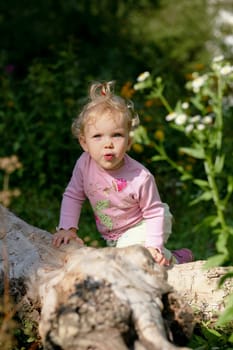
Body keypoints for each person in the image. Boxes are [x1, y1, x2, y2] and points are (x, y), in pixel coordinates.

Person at [52, 81, 194, 266]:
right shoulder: (84, 164)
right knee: (123, 253)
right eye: (97, 136)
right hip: (115, 235)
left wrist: (154, 246)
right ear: (84, 142)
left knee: (129, 259)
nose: (108, 143)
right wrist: (67, 229)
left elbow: (154, 212)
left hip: (146, 223)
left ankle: (171, 259)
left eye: (116, 135)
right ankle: (175, 256)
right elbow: (73, 195)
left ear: (128, 142)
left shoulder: (140, 176)